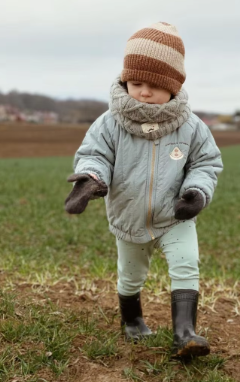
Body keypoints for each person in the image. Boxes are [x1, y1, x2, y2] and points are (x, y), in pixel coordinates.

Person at [65, 22, 223, 357]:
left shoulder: (191, 127)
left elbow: (206, 164)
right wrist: (90, 179)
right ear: (125, 80)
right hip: (129, 216)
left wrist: (196, 191)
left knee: (187, 262)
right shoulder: (109, 123)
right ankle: (132, 319)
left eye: (154, 85)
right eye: (136, 83)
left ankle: (185, 333)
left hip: (174, 215)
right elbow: (95, 155)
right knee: (131, 276)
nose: (144, 92)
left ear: (174, 86)